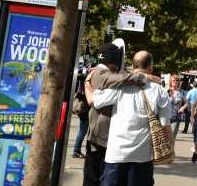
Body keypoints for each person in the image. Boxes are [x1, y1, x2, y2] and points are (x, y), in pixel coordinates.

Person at [93, 51, 171, 186]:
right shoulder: (160, 91)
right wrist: (170, 150)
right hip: (143, 157)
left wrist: (88, 84)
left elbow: (96, 101)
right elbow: (165, 125)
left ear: (133, 65)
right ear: (150, 66)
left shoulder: (119, 86)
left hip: (116, 155)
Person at [83, 43, 156, 186]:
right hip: (100, 140)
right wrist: (143, 77)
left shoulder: (108, 74)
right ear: (113, 61)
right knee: (94, 179)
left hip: (105, 139)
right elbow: (112, 81)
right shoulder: (99, 74)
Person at [72, 69, 90, 158]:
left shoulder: (79, 85)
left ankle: (77, 150)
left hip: (82, 111)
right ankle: (76, 150)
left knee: (82, 131)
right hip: (84, 111)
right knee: (82, 131)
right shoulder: (82, 86)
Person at [167, 75, 188, 141]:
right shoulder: (166, 91)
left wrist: (182, 108)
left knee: (172, 136)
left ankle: (171, 150)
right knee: (165, 136)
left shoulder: (182, 92)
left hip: (176, 116)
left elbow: (187, 103)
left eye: (177, 80)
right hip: (166, 116)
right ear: (171, 82)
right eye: (173, 80)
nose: (175, 82)